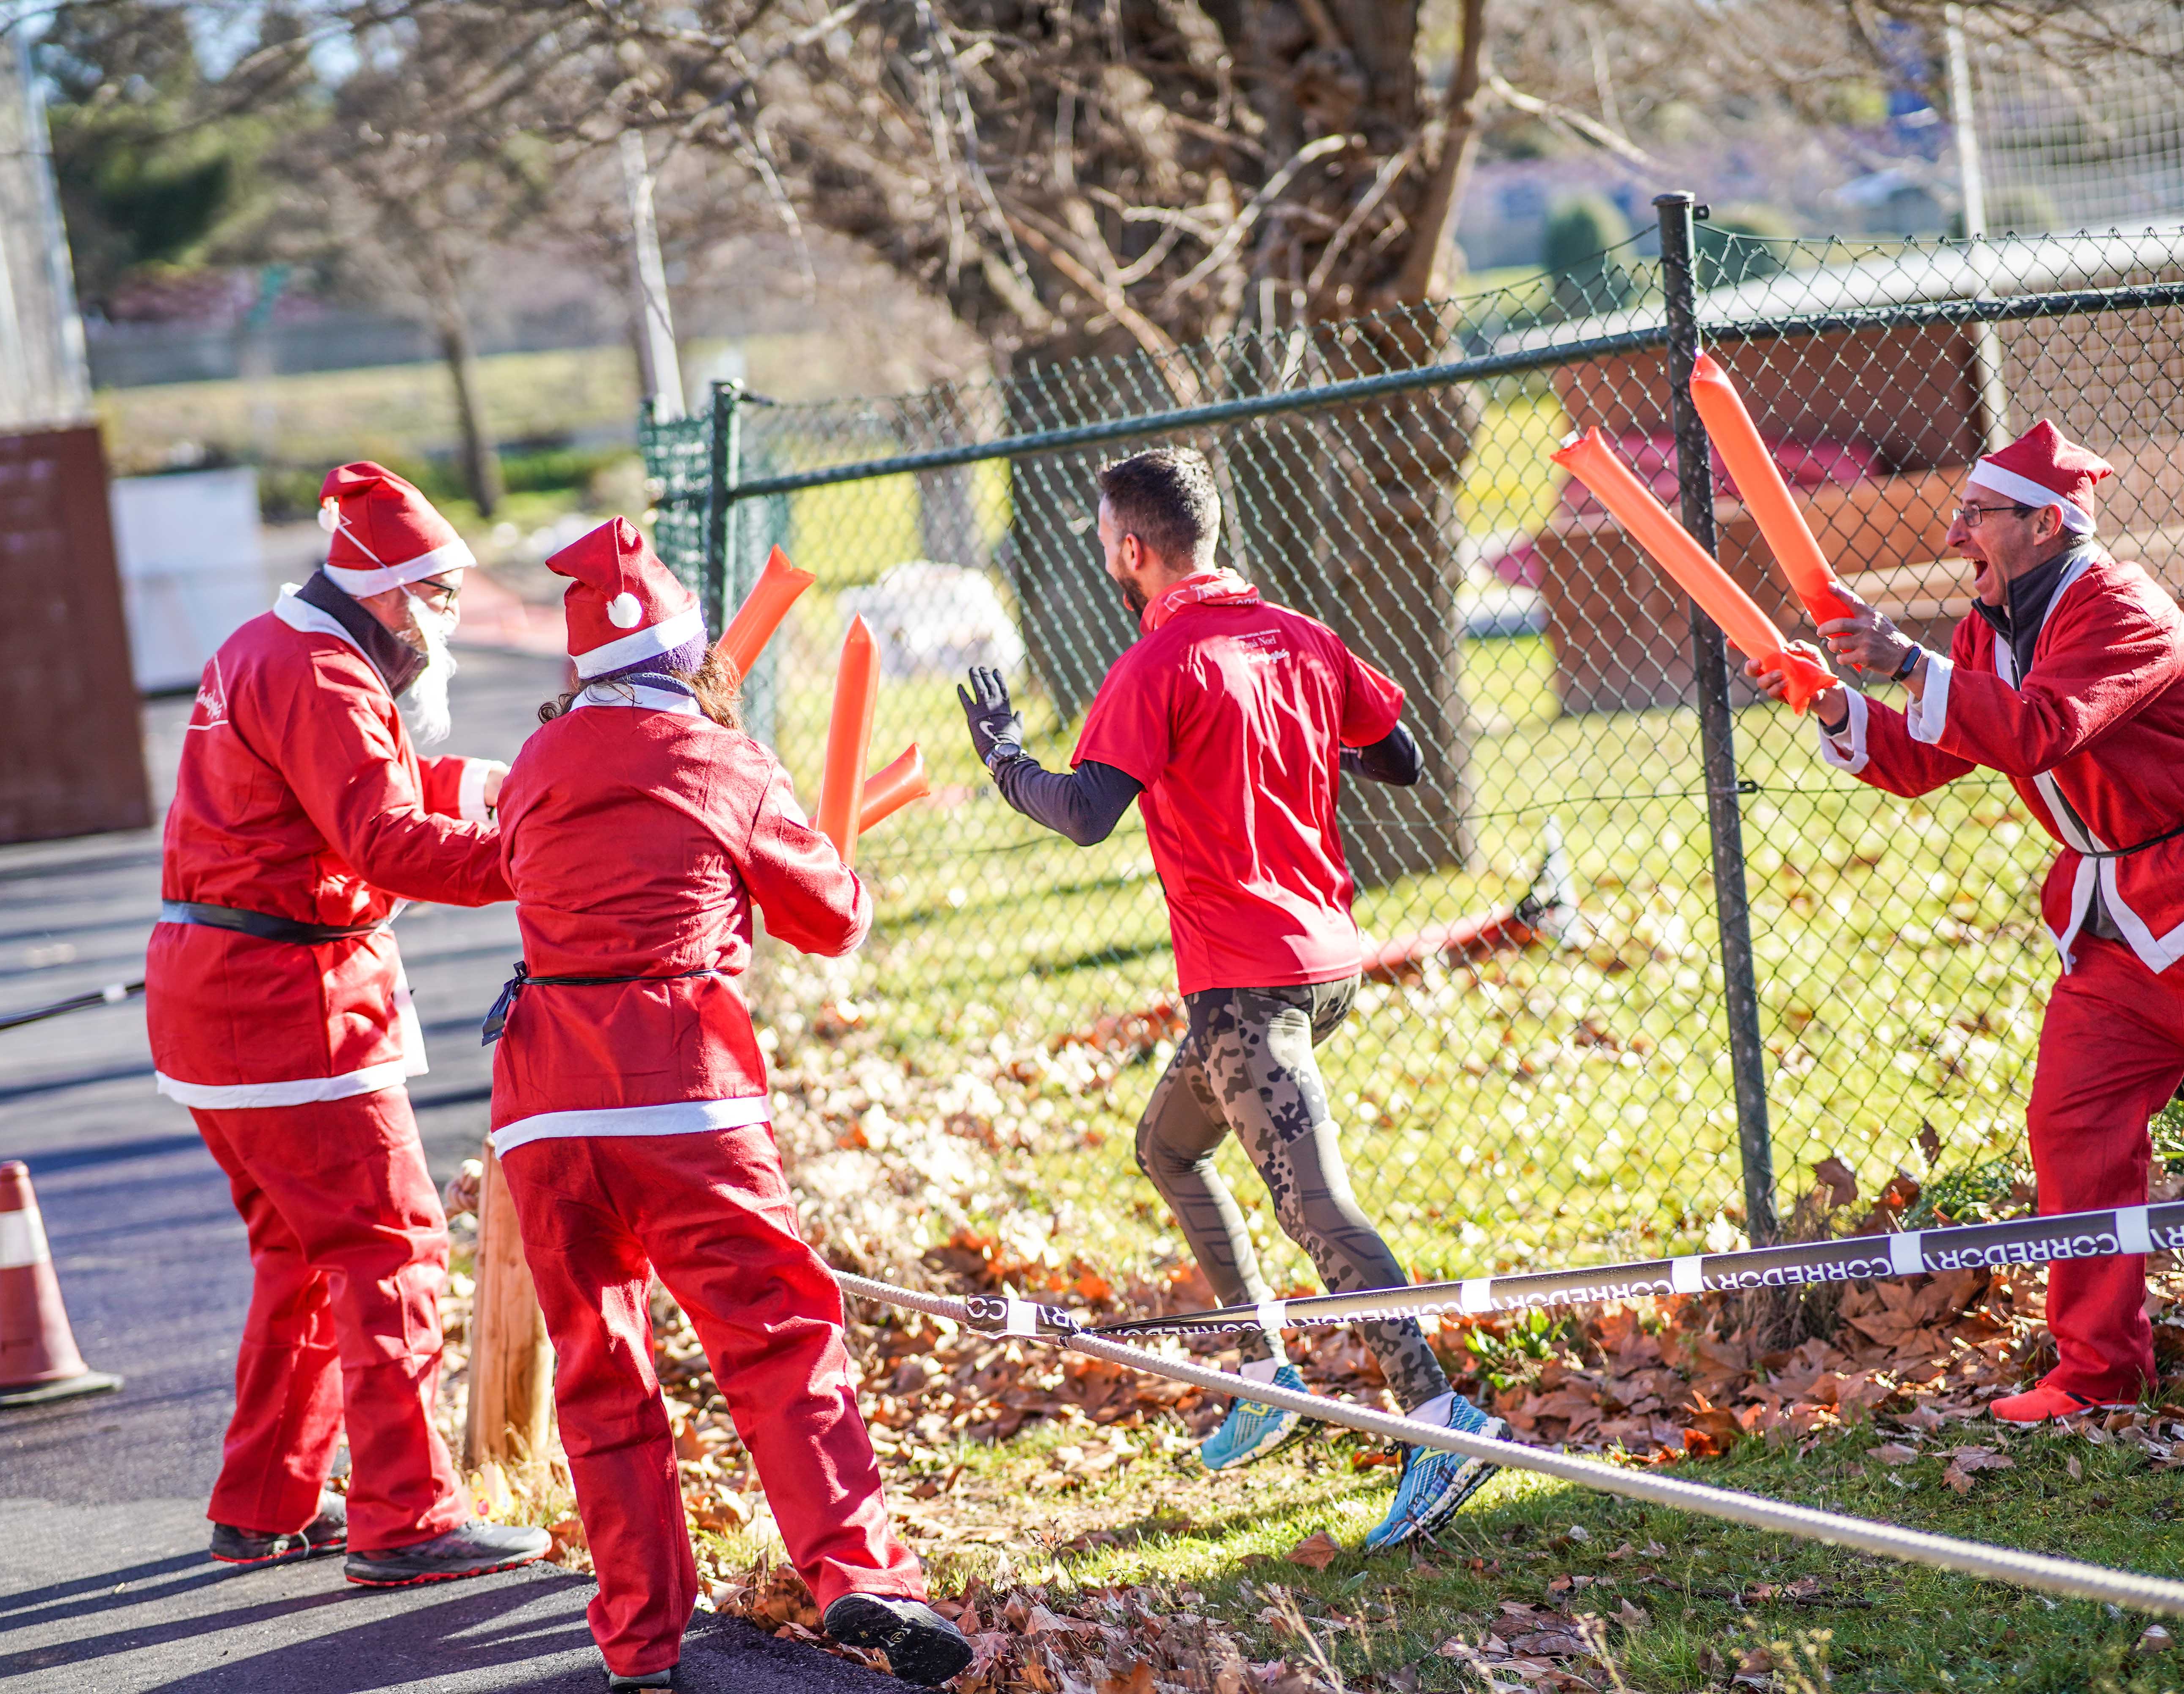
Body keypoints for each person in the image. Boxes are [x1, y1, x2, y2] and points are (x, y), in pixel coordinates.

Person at [1747, 420, 2184, 1423]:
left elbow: (2041, 730)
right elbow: (1927, 758)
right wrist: (1831, 701)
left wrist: (1904, 662)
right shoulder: (1991, 625)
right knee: (2075, 1125)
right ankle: (2098, 1373)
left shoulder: (2121, 606)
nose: (1955, 534)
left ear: (2045, 523)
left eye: (1976, 514)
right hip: (2117, 933)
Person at [957, 446, 1500, 1551]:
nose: (1105, 555)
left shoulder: (1158, 662)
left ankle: (1441, 1419)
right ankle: (1266, 1373)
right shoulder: (1298, 636)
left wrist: (1005, 759)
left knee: (1316, 1208)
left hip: (1246, 989)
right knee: (1167, 1148)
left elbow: (1084, 812)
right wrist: (1280, 746)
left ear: (1132, 549)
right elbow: (1399, 758)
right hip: (1324, 963)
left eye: (1104, 541)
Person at [486, 518, 969, 1693]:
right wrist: (828, 863)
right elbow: (833, 920)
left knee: (601, 1367)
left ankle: (639, 1640)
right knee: (778, 1337)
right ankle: (859, 1572)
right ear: (694, 656)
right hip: (683, 1093)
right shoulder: (724, 760)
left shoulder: (536, 764)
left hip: (545, 1110)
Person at [148, 461, 551, 1583]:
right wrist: (547, 855)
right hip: (293, 1012)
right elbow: (383, 837)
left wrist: (487, 788)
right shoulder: (327, 672)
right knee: (392, 1249)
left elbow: (358, 780)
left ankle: (266, 1499)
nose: (448, 621)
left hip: (219, 1005)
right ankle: (408, 1517)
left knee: (302, 1257)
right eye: (441, 597)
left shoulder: (268, 647)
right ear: (388, 588)